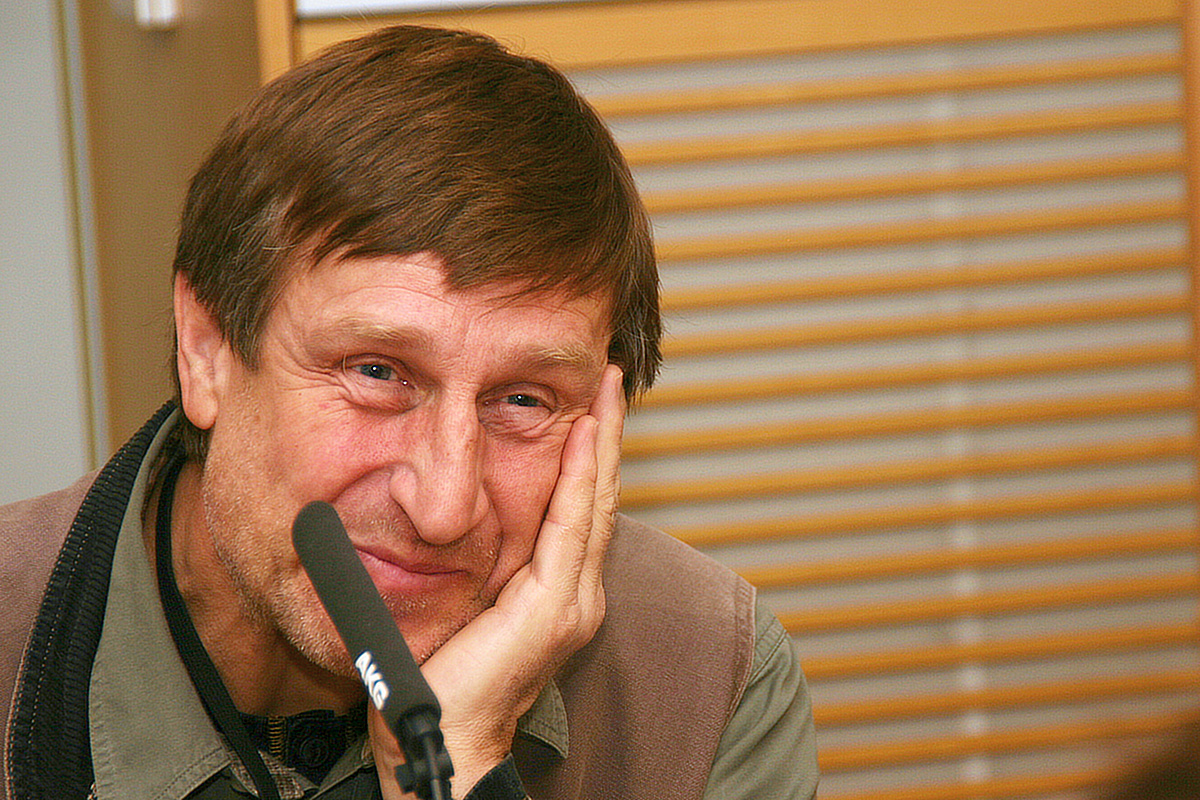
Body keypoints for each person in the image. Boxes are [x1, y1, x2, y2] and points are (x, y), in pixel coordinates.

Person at [1, 24, 817, 800]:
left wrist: (454, 761)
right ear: (206, 348)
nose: (443, 507)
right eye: (378, 373)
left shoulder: (712, 685)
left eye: (523, 400)